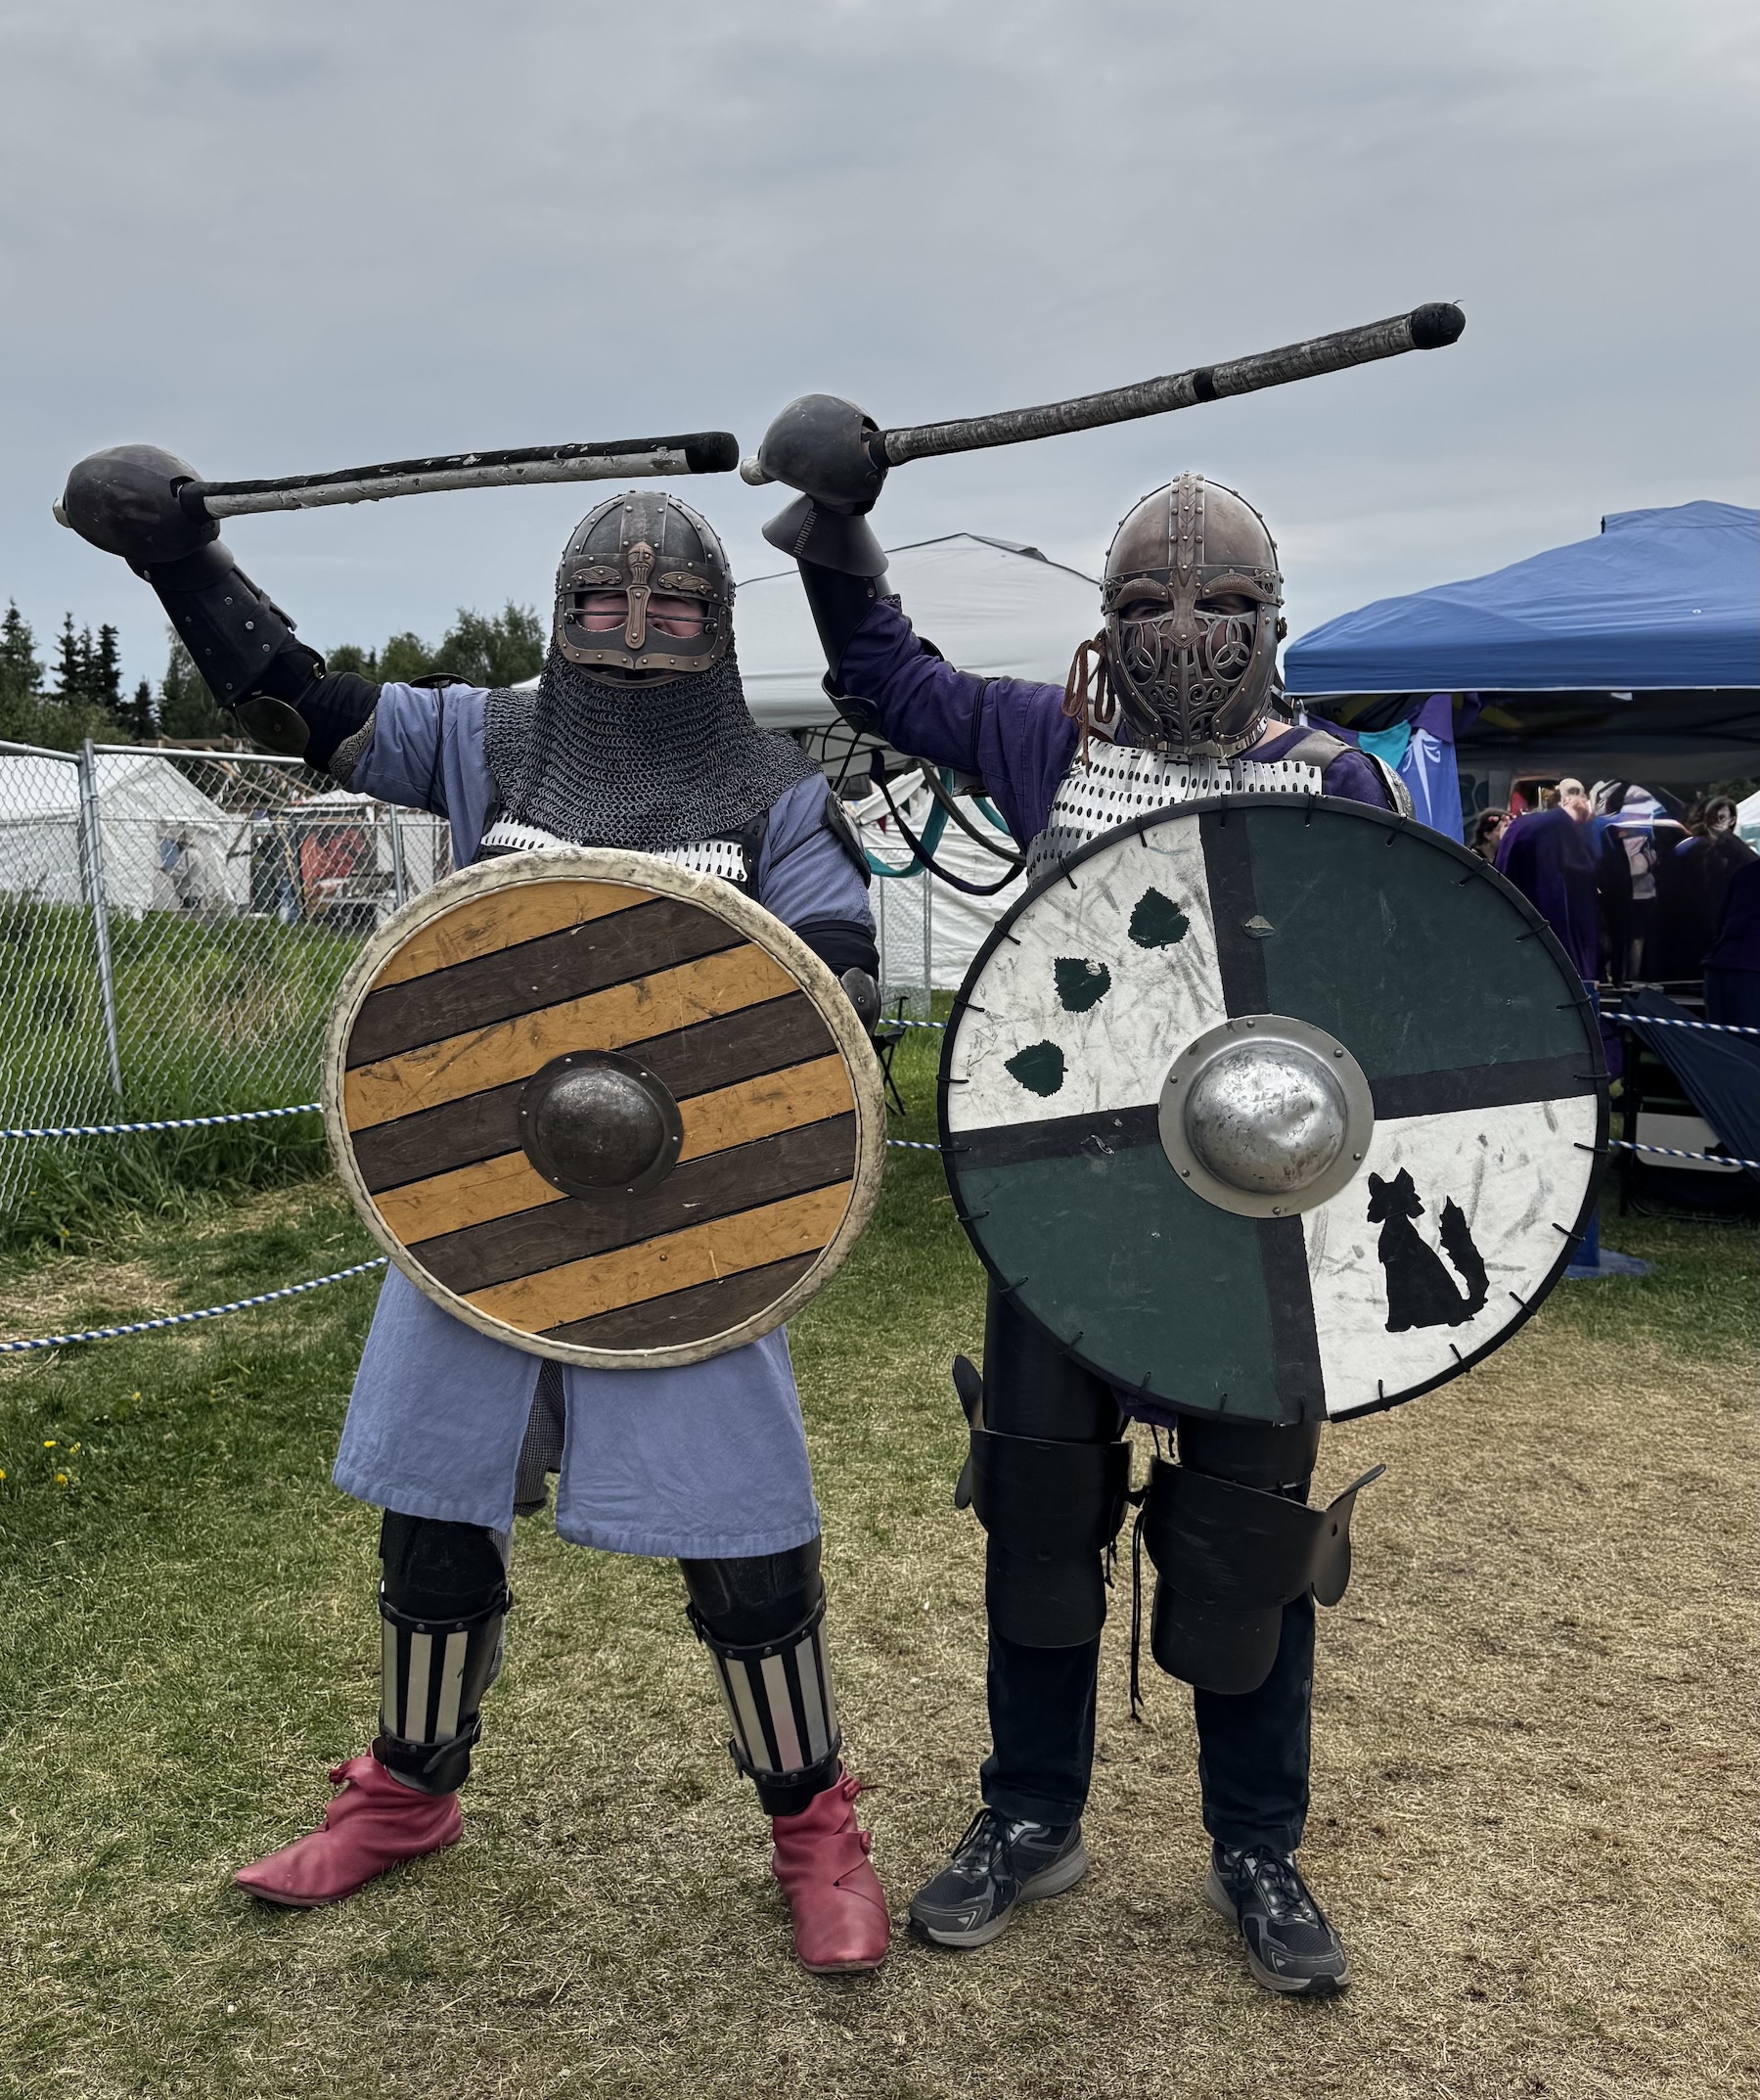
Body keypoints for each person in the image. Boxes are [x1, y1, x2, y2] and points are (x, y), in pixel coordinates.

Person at [70, 453, 891, 1974]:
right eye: (602, 596)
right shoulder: (483, 740)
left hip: (690, 1222)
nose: (633, 624)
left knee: (744, 1537)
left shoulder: (775, 797)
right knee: (433, 1514)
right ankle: (406, 1791)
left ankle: (811, 1822)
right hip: (485, 1208)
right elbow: (300, 702)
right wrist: (178, 565)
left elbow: (833, 988)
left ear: (714, 627)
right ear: (557, 610)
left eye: (667, 604)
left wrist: (732, 1013)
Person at [767, 449, 1405, 1997]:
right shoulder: (1040, 738)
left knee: (1246, 1545)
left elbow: (1394, 1010)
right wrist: (839, 520)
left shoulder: (1335, 781)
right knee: (1040, 1516)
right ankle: (1027, 1811)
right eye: (1147, 598)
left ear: (1273, 614)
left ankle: (1256, 1841)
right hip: (1070, 1204)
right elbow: (879, 671)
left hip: (1258, 1224)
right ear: (1103, 617)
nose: (1184, 627)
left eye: (1222, 600)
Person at [1494, 776, 1601, 979]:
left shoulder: (1519, 827)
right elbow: (1555, 891)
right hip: (1549, 945)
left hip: (1517, 934)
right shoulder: (1555, 828)